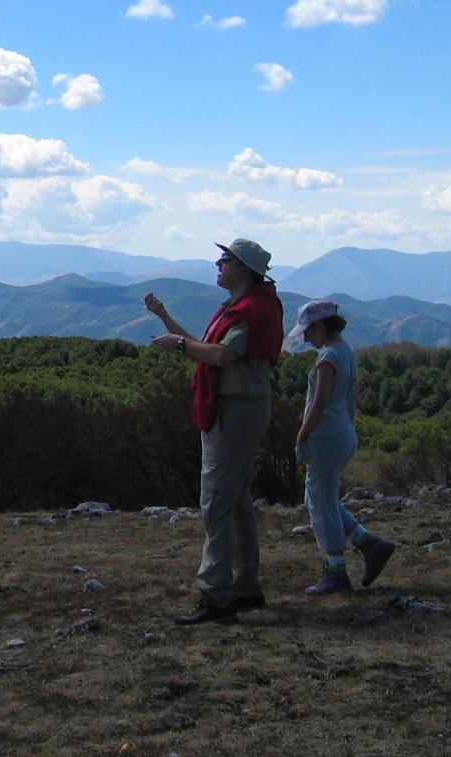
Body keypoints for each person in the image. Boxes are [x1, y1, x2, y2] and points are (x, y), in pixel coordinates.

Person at [145, 237, 283, 624]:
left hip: (235, 410)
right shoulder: (249, 306)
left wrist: (177, 346)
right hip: (241, 407)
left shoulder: (248, 311)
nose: (218, 264)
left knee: (216, 502)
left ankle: (217, 595)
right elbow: (203, 346)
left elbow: (222, 355)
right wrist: (165, 320)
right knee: (236, 500)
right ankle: (244, 585)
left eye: (225, 260)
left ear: (243, 268)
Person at [290, 298, 395, 595]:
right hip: (344, 433)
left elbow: (319, 402)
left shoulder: (327, 359)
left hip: (326, 437)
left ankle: (336, 573)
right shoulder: (345, 351)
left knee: (321, 503)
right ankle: (369, 543)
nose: (306, 338)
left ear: (321, 326)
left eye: (308, 332)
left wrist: (302, 435)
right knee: (319, 500)